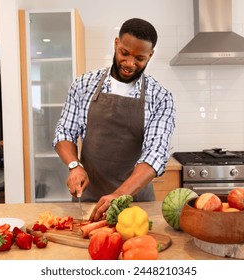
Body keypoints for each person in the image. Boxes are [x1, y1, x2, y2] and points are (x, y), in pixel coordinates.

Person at [53, 18, 176, 221]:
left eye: (139, 58)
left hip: (135, 204)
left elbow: (156, 154)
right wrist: (75, 166)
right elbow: (64, 132)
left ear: (150, 56)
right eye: (124, 53)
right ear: (116, 43)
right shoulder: (83, 85)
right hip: (90, 200)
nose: (129, 63)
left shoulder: (160, 97)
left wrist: (119, 195)